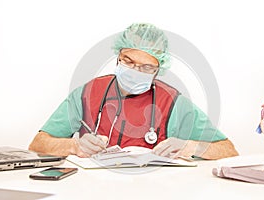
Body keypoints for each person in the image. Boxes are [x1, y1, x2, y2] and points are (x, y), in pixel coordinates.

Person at [29, 23, 238, 160]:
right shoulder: (87, 94)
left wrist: (190, 147)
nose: (136, 71)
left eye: (146, 68)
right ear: (118, 58)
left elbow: (229, 150)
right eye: (128, 62)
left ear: (158, 71)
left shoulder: (173, 103)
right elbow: (38, 144)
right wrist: (73, 146)